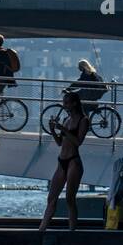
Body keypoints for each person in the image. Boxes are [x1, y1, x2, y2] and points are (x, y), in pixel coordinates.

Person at [39, 90, 89, 232]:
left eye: (66, 103)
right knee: (51, 198)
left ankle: (72, 231)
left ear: (74, 103)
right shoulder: (66, 120)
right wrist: (54, 131)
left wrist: (63, 129)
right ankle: (41, 230)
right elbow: (60, 143)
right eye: (64, 103)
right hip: (62, 161)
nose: (64, 105)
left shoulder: (83, 120)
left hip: (74, 161)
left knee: (69, 199)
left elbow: (78, 142)